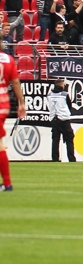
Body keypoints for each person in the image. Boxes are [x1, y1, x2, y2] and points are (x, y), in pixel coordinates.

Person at [0, 50, 24, 191]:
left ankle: (8, 184)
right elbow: (15, 82)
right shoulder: (8, 59)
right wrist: (21, 102)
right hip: (3, 104)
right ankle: (7, 183)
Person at [48, 78, 75, 162]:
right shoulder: (64, 94)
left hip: (54, 118)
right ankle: (71, 159)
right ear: (61, 85)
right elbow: (69, 105)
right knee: (69, 139)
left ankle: (55, 159)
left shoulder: (49, 95)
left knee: (55, 139)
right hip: (64, 119)